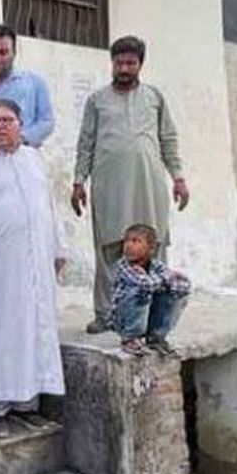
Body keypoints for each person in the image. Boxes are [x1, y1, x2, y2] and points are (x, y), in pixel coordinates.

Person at [71, 36, 189, 334]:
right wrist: (77, 181)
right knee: (111, 248)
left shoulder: (154, 97)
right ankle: (106, 315)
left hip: (149, 185)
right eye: (119, 62)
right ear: (112, 63)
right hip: (109, 186)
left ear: (140, 65)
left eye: (130, 63)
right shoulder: (97, 100)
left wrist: (178, 177)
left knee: (154, 245)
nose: (124, 68)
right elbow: (85, 142)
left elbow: (168, 139)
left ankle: (154, 317)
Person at [0, 98, 66, 438]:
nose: (0, 126)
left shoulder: (34, 158)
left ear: (20, 125)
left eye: (7, 120)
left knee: (34, 329)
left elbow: (49, 206)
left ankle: (28, 405)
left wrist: (59, 248)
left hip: (37, 260)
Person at [0, 24, 55, 147]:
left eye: (3, 53)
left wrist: (21, 139)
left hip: (26, 157)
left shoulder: (35, 83)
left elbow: (47, 121)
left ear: (14, 53)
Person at [110, 224, 190, 357]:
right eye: (126, 241)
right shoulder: (123, 266)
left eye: (136, 241)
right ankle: (130, 339)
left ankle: (155, 337)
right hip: (124, 320)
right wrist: (167, 277)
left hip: (146, 317)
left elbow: (184, 286)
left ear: (151, 249)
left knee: (176, 294)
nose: (128, 245)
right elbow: (145, 285)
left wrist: (160, 281)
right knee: (141, 290)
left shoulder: (157, 265)